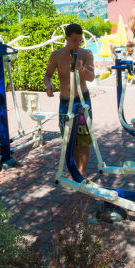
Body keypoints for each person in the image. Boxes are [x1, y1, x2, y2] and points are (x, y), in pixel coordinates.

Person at [44, 23, 95, 178]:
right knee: (69, 139)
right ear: (66, 37)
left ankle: (82, 173)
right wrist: (48, 85)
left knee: (84, 139)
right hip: (65, 103)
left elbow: (91, 77)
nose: (77, 43)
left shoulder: (86, 54)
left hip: (82, 101)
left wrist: (82, 68)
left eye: (79, 40)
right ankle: (75, 172)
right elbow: (47, 76)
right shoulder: (57, 55)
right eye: (74, 40)